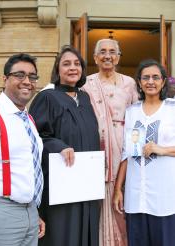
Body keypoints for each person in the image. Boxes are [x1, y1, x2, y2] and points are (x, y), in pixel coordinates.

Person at [29, 45, 100, 246]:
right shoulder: (47, 97)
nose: (72, 68)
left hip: (86, 182)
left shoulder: (84, 98)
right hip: (60, 181)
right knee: (62, 232)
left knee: (86, 229)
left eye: (77, 64)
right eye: (66, 64)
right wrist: (58, 145)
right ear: (57, 70)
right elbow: (35, 137)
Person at [82, 38, 138, 246]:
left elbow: (137, 118)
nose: (107, 55)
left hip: (123, 150)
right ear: (95, 58)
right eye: (102, 52)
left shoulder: (129, 83)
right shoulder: (86, 83)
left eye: (112, 52)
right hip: (96, 150)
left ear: (118, 57)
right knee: (97, 204)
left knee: (123, 201)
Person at [113, 59, 175, 246]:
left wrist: (161, 149)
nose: (150, 81)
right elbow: (126, 153)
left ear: (163, 81)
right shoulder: (132, 112)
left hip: (165, 196)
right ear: (139, 82)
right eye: (145, 77)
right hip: (136, 195)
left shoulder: (172, 109)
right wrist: (118, 189)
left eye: (156, 77)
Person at [0, 53, 45, 246]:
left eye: (32, 77)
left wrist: (33, 213)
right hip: (1, 211)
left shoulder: (27, 119)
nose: (27, 81)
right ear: (4, 79)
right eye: (20, 75)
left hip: (30, 211)